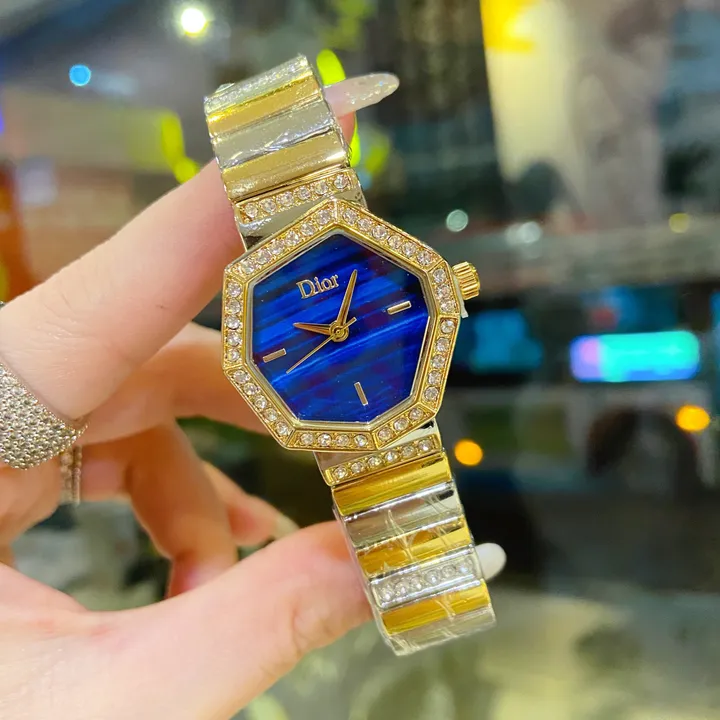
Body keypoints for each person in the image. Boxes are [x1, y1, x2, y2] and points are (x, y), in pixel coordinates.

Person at [0, 75, 505, 719]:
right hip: (350, 404)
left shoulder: (394, 296)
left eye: (343, 325)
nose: (341, 332)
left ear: (443, 286)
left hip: (373, 405)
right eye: (333, 329)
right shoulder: (283, 335)